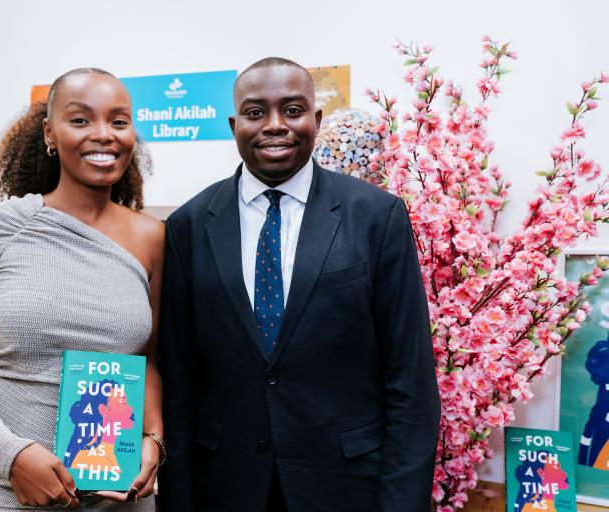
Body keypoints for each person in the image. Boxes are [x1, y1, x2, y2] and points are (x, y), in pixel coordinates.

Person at [158, 57, 441, 511]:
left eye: (292, 110)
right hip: (226, 489)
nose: (275, 125)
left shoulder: (376, 217)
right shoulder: (188, 226)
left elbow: (411, 381)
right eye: (255, 112)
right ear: (234, 125)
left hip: (346, 489)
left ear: (317, 120)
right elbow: (179, 382)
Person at [0, 68, 165, 511]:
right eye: (80, 120)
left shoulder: (153, 237)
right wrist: (11, 455)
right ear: (49, 134)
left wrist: (153, 439)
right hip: (2, 487)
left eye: (118, 121)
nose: (103, 134)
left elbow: (148, 361)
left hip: (116, 493)